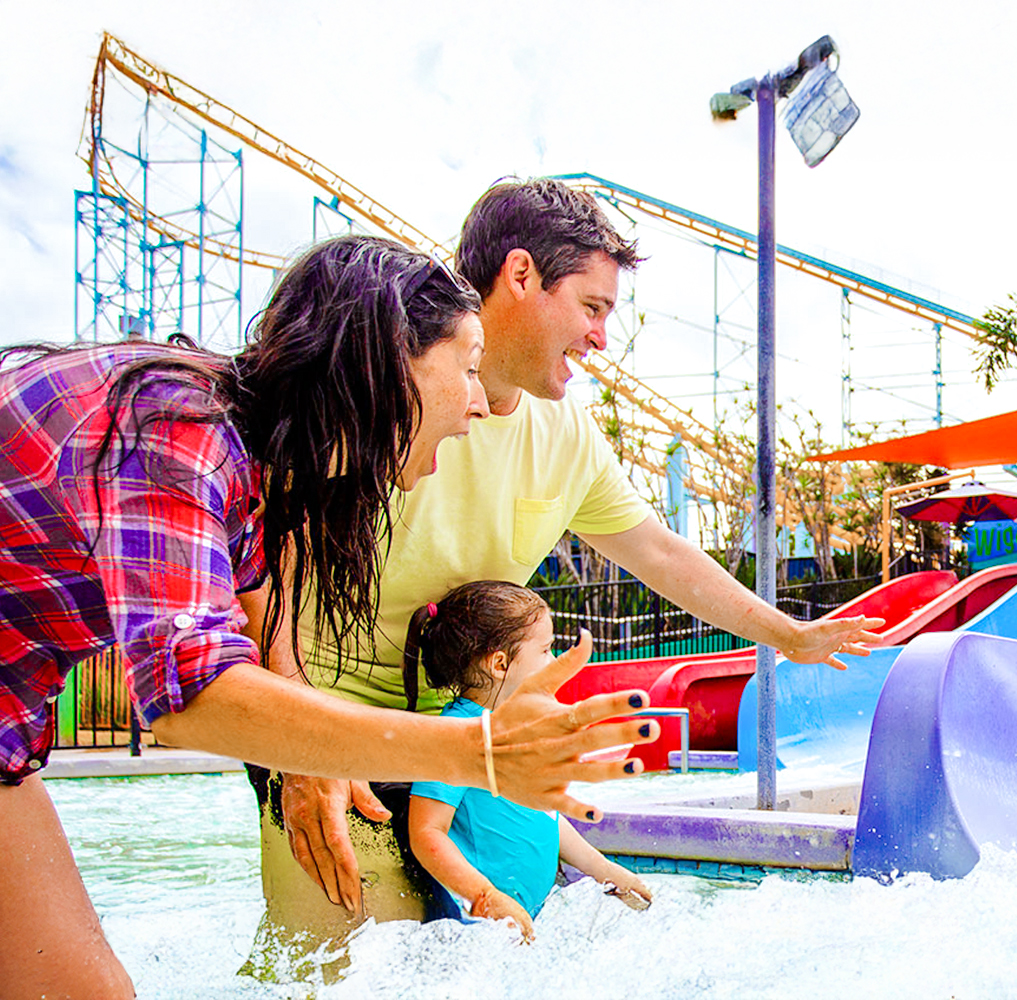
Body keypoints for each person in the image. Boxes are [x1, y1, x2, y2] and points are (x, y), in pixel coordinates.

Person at [0, 235, 660, 1000]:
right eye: (468, 367)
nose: (480, 403)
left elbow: (244, 620)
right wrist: (475, 753)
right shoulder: (175, 432)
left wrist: (310, 756)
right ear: (388, 364)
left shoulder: (252, 468)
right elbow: (188, 698)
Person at [265, 178, 884, 932]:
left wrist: (788, 634)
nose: (601, 337)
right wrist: (300, 737)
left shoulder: (566, 434)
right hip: (327, 714)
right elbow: (261, 550)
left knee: (470, 959)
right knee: (350, 965)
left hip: (475, 727)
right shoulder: (378, 385)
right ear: (520, 276)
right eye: (592, 307)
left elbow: (658, 553)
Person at [406, 581, 652, 941]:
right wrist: (486, 896)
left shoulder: (520, 729)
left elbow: (545, 814)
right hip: (477, 925)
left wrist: (604, 869)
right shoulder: (458, 732)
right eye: (547, 650)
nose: (553, 662)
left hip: (521, 917)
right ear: (500, 664)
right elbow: (427, 831)